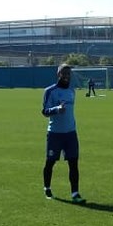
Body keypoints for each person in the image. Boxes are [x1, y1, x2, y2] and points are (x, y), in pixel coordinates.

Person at [41, 64, 85, 204]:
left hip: (71, 134)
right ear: (58, 75)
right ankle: (47, 188)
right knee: (50, 162)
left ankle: (75, 193)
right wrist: (56, 109)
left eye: (68, 74)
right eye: (63, 74)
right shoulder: (50, 91)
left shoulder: (72, 91)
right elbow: (44, 111)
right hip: (55, 134)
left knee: (73, 163)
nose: (66, 76)